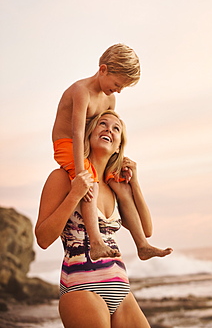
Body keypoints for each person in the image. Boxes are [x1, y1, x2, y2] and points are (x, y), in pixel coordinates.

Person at [35, 110, 172, 327]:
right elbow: (42, 238)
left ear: (119, 146)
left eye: (116, 128)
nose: (109, 129)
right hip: (81, 286)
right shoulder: (61, 177)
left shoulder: (115, 187)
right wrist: (75, 194)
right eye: (102, 124)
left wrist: (134, 183)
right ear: (88, 134)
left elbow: (146, 230)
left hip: (121, 290)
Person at [52, 43, 140, 260]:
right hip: (67, 144)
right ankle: (97, 242)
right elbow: (78, 132)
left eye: (123, 88)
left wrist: (116, 164)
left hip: (88, 148)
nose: (118, 90)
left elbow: (107, 131)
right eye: (117, 84)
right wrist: (81, 174)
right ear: (103, 70)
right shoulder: (82, 92)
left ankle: (143, 244)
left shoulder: (110, 99)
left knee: (119, 183)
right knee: (89, 181)